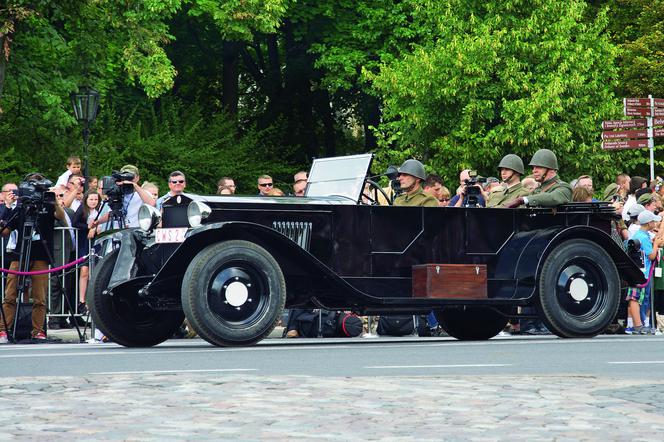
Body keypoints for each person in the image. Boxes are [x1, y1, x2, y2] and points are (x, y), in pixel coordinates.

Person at [0, 173, 67, 343]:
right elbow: (6, 231)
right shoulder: (23, 205)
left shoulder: (48, 203)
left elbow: (62, 219)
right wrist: (7, 210)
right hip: (19, 254)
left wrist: (54, 201)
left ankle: (38, 331)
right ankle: (3, 330)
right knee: (10, 294)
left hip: (40, 256)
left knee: (40, 297)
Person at [626, 210, 663, 334]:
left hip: (637, 271)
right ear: (649, 223)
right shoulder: (643, 237)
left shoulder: (639, 235)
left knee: (640, 298)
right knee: (636, 298)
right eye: (654, 221)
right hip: (641, 273)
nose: (655, 223)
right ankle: (638, 325)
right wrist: (656, 244)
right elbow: (651, 256)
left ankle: (640, 324)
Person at [505, 149, 572, 208]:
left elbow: (553, 197)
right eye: (533, 167)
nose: (534, 171)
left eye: (539, 167)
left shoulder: (563, 187)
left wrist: (523, 200)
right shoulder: (537, 189)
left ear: (551, 169)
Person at [71, 190, 101, 315]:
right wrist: (88, 227)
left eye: (95, 199)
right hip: (84, 242)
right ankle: (82, 300)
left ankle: (91, 299)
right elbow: (75, 223)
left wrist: (96, 228)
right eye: (91, 199)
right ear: (86, 200)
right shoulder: (82, 210)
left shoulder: (101, 210)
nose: (93, 202)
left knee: (95, 271)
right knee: (84, 270)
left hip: (97, 242)